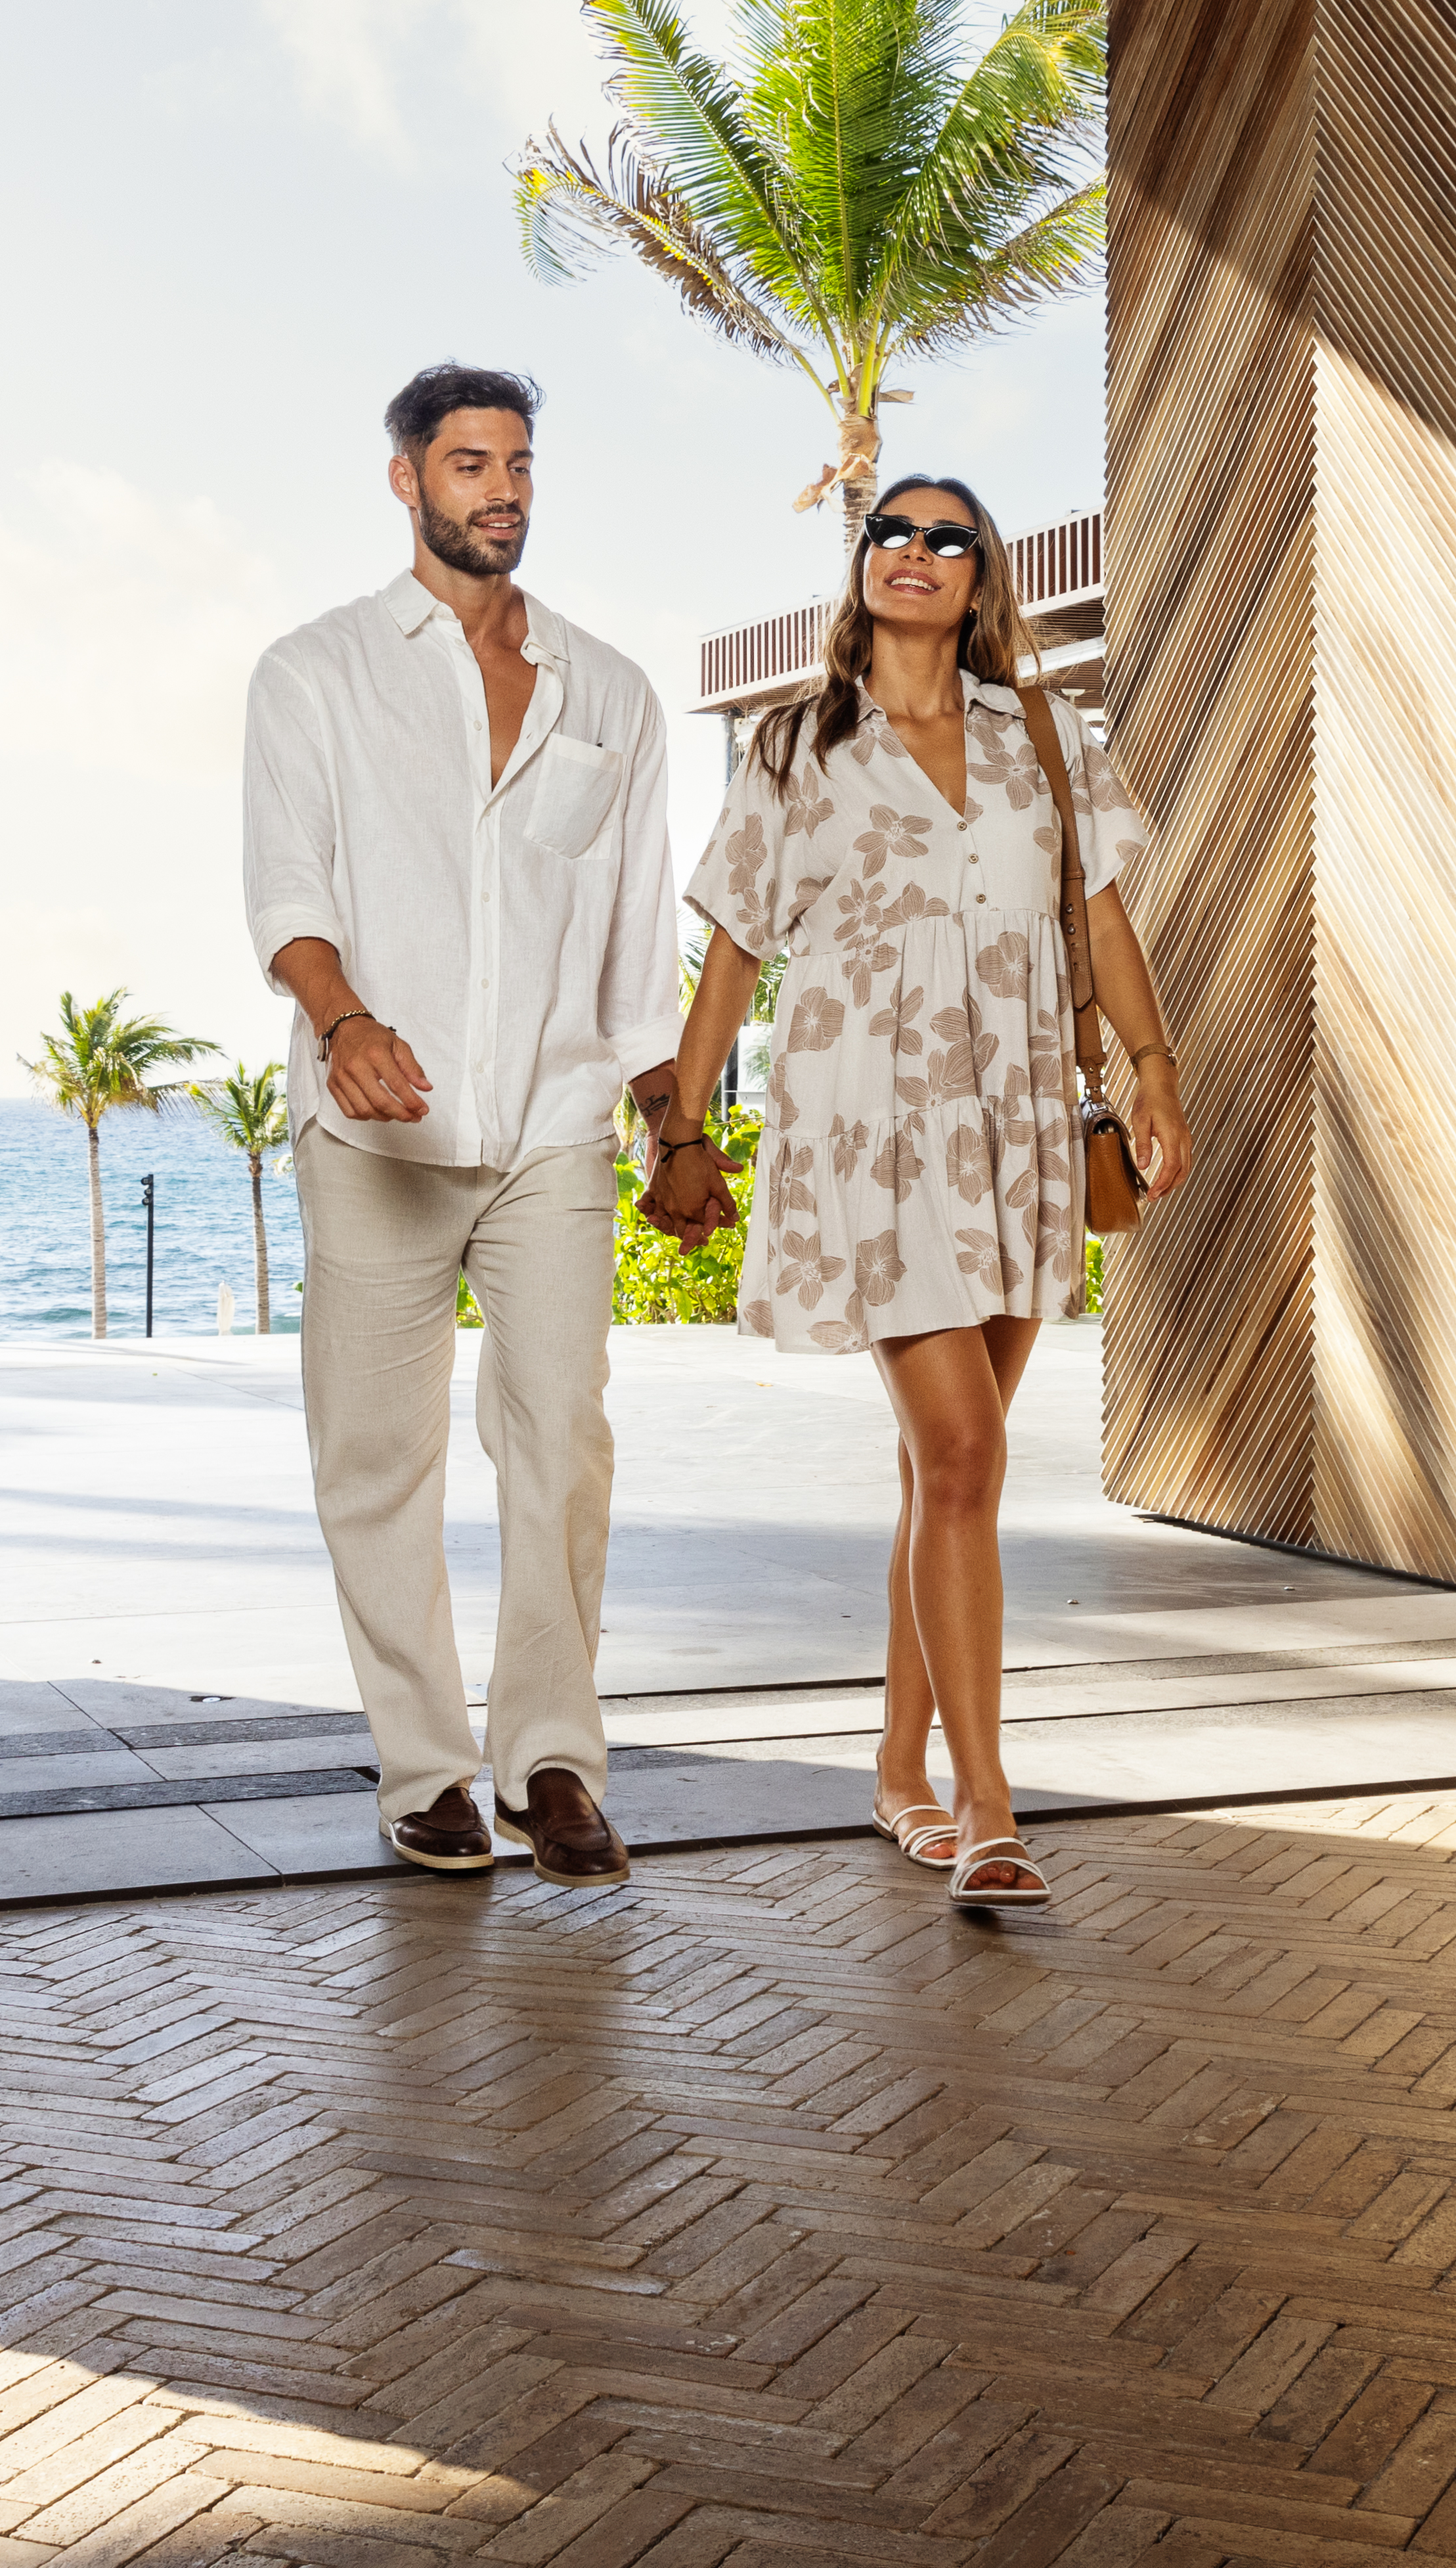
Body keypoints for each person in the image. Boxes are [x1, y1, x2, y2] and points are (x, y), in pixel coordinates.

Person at [644, 476, 1188, 1912]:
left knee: (939, 1468)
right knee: (958, 1456)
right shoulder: (792, 744)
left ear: (982, 577)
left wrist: (1153, 1067)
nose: (917, 553)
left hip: (1010, 1121)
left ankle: (896, 1770)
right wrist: (683, 1125)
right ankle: (989, 1798)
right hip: (867, 1126)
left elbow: (1099, 916)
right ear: (861, 561)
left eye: (951, 538)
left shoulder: (1051, 741)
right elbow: (733, 953)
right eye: (893, 529)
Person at [242, 365, 700, 1887]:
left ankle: (552, 1759)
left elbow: (638, 943)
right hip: (376, 1132)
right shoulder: (313, 673)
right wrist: (347, 1022)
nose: (498, 488)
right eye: (466, 463)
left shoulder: (611, 691)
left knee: (561, 1437)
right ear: (405, 480)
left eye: (515, 463)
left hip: (552, 1127)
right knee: (377, 1455)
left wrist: (673, 1123)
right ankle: (428, 1765)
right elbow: (287, 893)